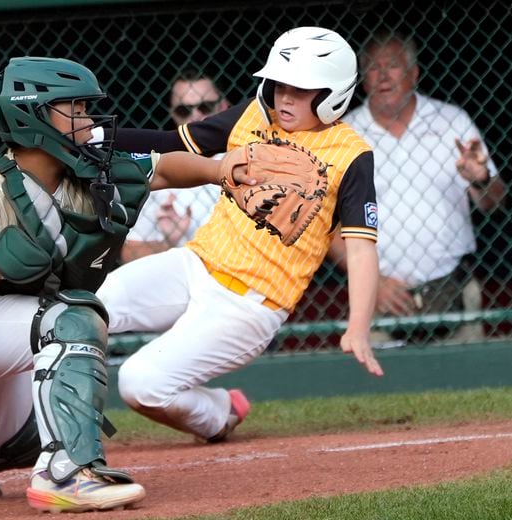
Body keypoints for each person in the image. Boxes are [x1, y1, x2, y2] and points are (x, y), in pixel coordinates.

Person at [0, 56, 247, 513]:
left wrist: (222, 170)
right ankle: (68, 474)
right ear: (32, 117)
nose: (89, 120)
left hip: (8, 324)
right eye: (74, 109)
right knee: (74, 316)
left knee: (16, 437)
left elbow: (165, 168)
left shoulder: (85, 170)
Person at [94, 26, 384, 443]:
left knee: (139, 384)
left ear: (333, 94)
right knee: (86, 306)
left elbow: (359, 249)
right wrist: (97, 137)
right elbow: (173, 142)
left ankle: (217, 413)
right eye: (280, 85)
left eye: (301, 90)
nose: (284, 98)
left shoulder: (352, 154)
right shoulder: (252, 115)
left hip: (249, 305)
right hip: (194, 264)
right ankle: (11, 414)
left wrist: (358, 326)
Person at [328, 31, 506, 344]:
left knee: (469, 387)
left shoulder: (452, 121)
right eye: (373, 67)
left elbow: (494, 201)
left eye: (393, 65)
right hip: (378, 296)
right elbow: (326, 225)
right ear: (362, 80)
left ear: (414, 73)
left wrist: (480, 178)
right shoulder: (343, 136)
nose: (383, 75)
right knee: (378, 391)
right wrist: (373, 282)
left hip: (452, 288)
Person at [120, 69, 230, 263]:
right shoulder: (159, 169)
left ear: (224, 106)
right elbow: (129, 254)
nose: (195, 116)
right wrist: (169, 242)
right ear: (173, 114)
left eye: (205, 106)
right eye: (184, 110)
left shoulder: (246, 156)